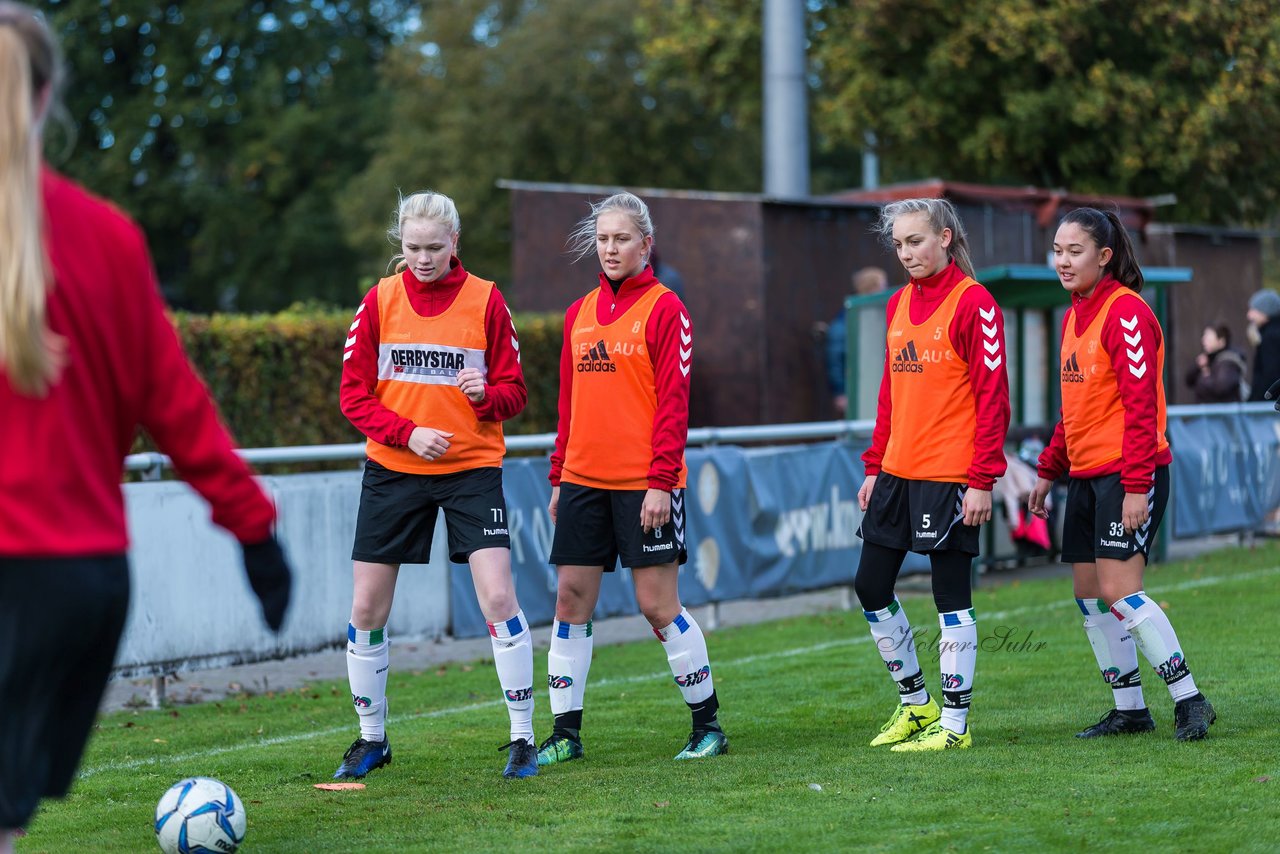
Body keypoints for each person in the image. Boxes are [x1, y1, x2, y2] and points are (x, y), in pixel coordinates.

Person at [0, 5, 292, 849]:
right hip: (79, 588)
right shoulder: (108, 238)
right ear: (50, 95)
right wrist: (255, 535)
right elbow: (175, 407)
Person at [336, 191, 537, 779]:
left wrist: (486, 396)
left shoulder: (487, 300)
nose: (422, 259)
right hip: (394, 469)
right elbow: (353, 397)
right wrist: (407, 433)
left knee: (498, 598)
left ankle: (523, 739)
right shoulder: (378, 300)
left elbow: (516, 393)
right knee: (367, 605)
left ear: (455, 243)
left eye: (433, 247)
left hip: (472, 470)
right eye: (412, 247)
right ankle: (372, 740)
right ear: (400, 243)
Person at [537, 191, 727, 766]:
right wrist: (558, 476)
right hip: (582, 482)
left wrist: (661, 481)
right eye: (603, 239)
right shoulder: (578, 314)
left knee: (656, 606)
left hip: (645, 483)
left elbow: (674, 403)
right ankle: (565, 735)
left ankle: (708, 726)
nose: (611, 248)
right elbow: (567, 407)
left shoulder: (668, 309)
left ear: (647, 243)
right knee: (570, 601)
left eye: (622, 238)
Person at [1028, 207, 1215, 741]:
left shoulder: (1125, 312)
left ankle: (1190, 699)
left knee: (1118, 590)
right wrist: (1048, 470)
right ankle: (1130, 709)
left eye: (1075, 251)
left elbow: (1141, 408)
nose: (1062, 261)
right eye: (1057, 251)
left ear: (1104, 256)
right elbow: (1074, 409)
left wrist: (1136, 485)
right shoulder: (1073, 314)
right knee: (1088, 594)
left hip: (1129, 473)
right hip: (1086, 476)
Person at [854, 199, 1010, 752]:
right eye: (899, 244)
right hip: (896, 472)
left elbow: (994, 400)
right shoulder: (897, 304)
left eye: (916, 241)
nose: (906, 253)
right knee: (870, 586)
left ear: (945, 238)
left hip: (950, 474)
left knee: (951, 598)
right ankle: (917, 706)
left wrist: (982, 479)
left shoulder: (975, 304)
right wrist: (874, 467)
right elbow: (889, 396)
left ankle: (955, 726)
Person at [825, 266, 889, 415]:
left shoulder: (877, 315)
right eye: (883, 285)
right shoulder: (846, 322)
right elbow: (835, 361)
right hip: (855, 388)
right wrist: (840, 392)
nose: (886, 290)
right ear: (873, 288)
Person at [1183, 323, 1247, 404]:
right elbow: (1189, 380)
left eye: (1208, 338)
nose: (1204, 341)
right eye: (1204, 337)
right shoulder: (1208, 359)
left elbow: (1221, 387)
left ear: (1221, 341)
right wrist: (1197, 366)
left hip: (1224, 413)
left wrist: (1205, 378)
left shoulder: (1228, 361)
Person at [1246, 289, 1280, 404]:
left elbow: (1270, 376)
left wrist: (1254, 404)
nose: (1249, 315)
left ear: (1265, 311)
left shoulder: (1271, 337)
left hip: (1268, 409)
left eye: (1253, 310)